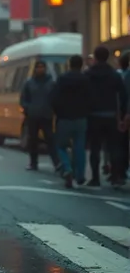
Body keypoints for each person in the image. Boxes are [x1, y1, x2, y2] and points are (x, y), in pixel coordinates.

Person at [84, 45, 127, 186]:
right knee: (114, 146)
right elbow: (123, 95)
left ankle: (95, 178)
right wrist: (122, 114)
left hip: (93, 115)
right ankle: (115, 176)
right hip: (111, 115)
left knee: (95, 148)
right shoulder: (115, 75)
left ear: (95, 58)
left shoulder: (88, 74)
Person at [51, 54, 92, 188]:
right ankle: (80, 175)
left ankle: (67, 168)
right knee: (80, 148)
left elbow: (54, 98)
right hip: (81, 118)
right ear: (81, 65)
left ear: (69, 64)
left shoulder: (62, 79)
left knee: (61, 146)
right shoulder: (86, 80)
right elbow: (90, 98)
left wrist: (57, 113)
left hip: (64, 118)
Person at [20, 60, 59, 171]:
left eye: (42, 67)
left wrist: (52, 109)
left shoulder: (51, 82)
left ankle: (56, 163)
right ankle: (33, 163)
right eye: (38, 67)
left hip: (46, 115)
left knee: (50, 140)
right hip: (33, 116)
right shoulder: (29, 83)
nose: (40, 69)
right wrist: (27, 109)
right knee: (33, 140)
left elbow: (54, 98)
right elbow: (23, 98)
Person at [117, 52, 130, 180]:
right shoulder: (124, 75)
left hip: (124, 113)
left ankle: (122, 170)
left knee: (123, 143)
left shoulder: (125, 76)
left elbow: (125, 96)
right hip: (125, 112)